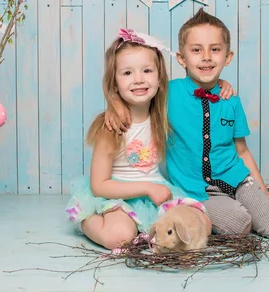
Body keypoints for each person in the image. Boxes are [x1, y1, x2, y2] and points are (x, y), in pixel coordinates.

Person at [105, 9, 269, 239]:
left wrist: (262, 193)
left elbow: (242, 151)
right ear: (181, 58)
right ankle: (241, 209)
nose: (206, 57)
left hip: (238, 179)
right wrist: (114, 105)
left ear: (227, 57)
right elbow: (136, 94)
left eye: (215, 49)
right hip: (197, 190)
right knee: (239, 226)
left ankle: (267, 198)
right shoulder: (167, 93)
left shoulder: (230, 98)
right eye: (196, 50)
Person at [65, 29, 210, 252]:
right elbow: (98, 185)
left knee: (202, 224)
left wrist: (224, 85)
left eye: (147, 70)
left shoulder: (163, 114)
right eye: (127, 73)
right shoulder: (112, 126)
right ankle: (85, 220)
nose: (139, 79)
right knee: (120, 237)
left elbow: (199, 88)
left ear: (160, 79)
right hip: (117, 195)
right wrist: (147, 188)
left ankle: (148, 230)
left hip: (155, 191)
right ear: (114, 83)